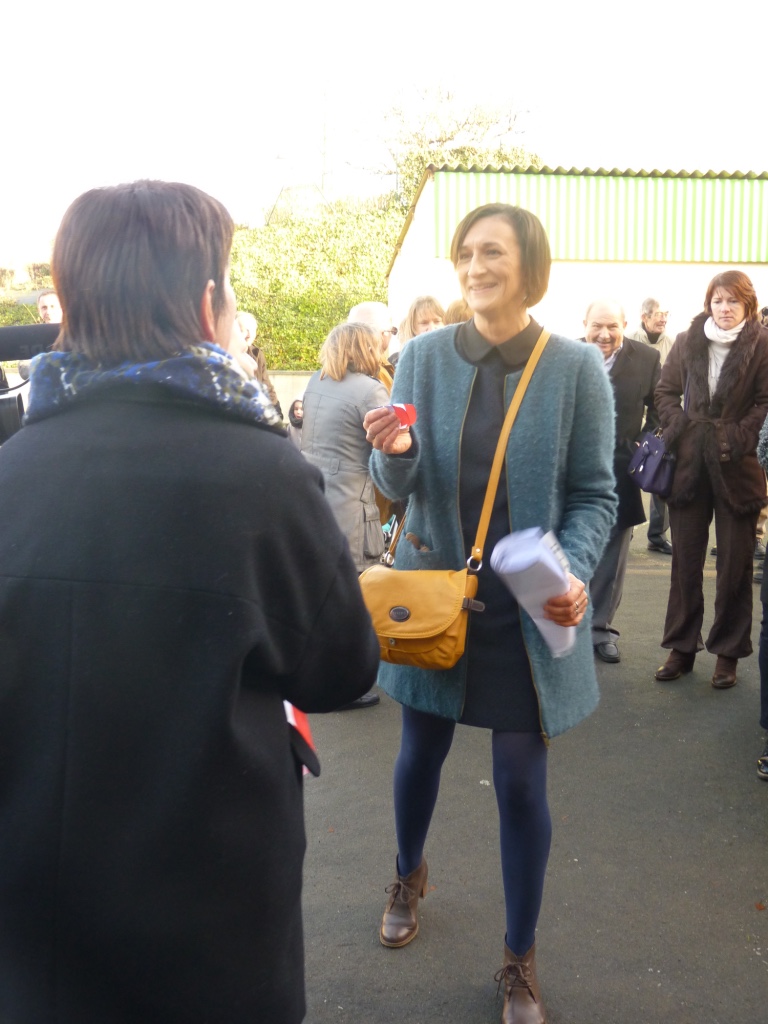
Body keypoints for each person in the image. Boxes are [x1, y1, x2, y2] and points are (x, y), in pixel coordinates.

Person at [0, 179, 380, 1024]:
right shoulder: (262, 474)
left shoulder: (13, 465)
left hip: (35, 917)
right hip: (211, 918)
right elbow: (340, 667)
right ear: (207, 301)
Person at [364, 202, 616, 1024]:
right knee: (418, 755)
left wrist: (573, 570)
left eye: (494, 252)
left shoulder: (576, 367)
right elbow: (395, 486)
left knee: (518, 781)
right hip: (436, 598)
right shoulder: (425, 358)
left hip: (524, 610)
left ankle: (518, 956)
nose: (476, 266)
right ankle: (408, 870)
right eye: (466, 253)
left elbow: (594, 494)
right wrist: (392, 453)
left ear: (528, 264)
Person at [654, 270, 768, 689]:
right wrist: (681, 426)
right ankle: (682, 648)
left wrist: (737, 436)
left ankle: (728, 654)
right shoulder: (687, 341)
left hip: (738, 467)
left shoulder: (762, 344)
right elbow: (664, 393)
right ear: (709, 303)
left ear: (747, 307)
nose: (724, 309)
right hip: (689, 466)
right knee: (685, 562)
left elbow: (765, 402)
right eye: (718, 301)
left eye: (732, 302)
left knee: (735, 566)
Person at [302, 321, 392, 710]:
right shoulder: (370, 390)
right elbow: (390, 449)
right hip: (354, 506)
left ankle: (311, 673)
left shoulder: (317, 380)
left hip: (318, 499)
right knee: (353, 600)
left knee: (320, 596)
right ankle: (344, 683)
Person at [583, 299, 661, 663]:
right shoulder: (565, 356)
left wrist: (641, 448)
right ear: (584, 325)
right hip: (571, 474)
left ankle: (599, 630)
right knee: (567, 553)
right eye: (597, 326)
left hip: (620, 472)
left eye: (612, 326)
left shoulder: (646, 359)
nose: (604, 334)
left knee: (612, 559)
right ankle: (562, 631)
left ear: (624, 325)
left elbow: (660, 410)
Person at [627, 298, 675, 554]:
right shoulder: (630, 341)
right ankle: (628, 528)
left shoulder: (671, 343)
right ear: (644, 317)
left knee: (660, 470)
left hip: (661, 415)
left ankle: (656, 535)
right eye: (658, 314)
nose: (663, 319)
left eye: (666, 314)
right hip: (634, 415)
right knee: (631, 471)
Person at [234, 310, 282, 415]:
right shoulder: (227, 354)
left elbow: (266, 385)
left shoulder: (257, 354)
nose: (249, 335)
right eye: (244, 330)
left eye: (252, 330)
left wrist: (276, 409)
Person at [392, 295, 445, 366]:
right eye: (424, 323)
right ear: (413, 328)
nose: (432, 328)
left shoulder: (453, 357)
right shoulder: (405, 363)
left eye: (437, 321)